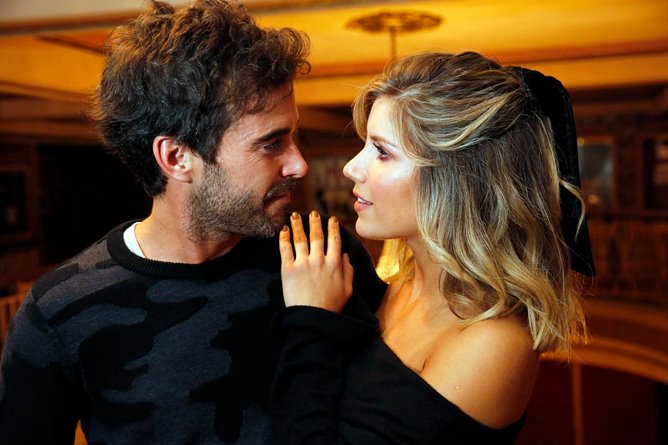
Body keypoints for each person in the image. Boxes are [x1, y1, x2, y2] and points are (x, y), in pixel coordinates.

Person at [0, 1, 385, 444]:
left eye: (292, 136)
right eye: (271, 143)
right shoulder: (58, 312)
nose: (299, 164)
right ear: (177, 157)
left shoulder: (322, 251)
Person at [270, 51, 595, 444]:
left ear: (458, 181)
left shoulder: (492, 343)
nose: (351, 168)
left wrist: (311, 321)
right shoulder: (396, 285)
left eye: (382, 152)